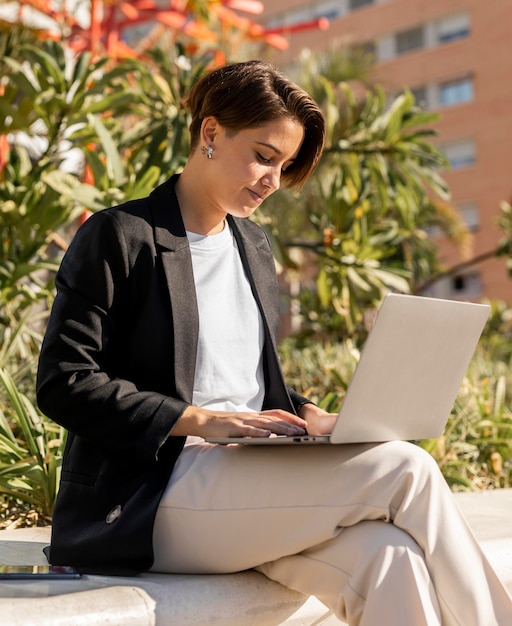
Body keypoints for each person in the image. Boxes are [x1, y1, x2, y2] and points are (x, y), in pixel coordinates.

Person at [36, 60, 512, 625]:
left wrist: (312, 417)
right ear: (210, 133)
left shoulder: (253, 245)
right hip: (151, 494)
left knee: (391, 559)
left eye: (284, 166)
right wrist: (200, 419)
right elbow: (64, 382)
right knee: (405, 469)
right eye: (264, 156)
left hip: (246, 481)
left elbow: (250, 379)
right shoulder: (122, 236)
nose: (274, 180)